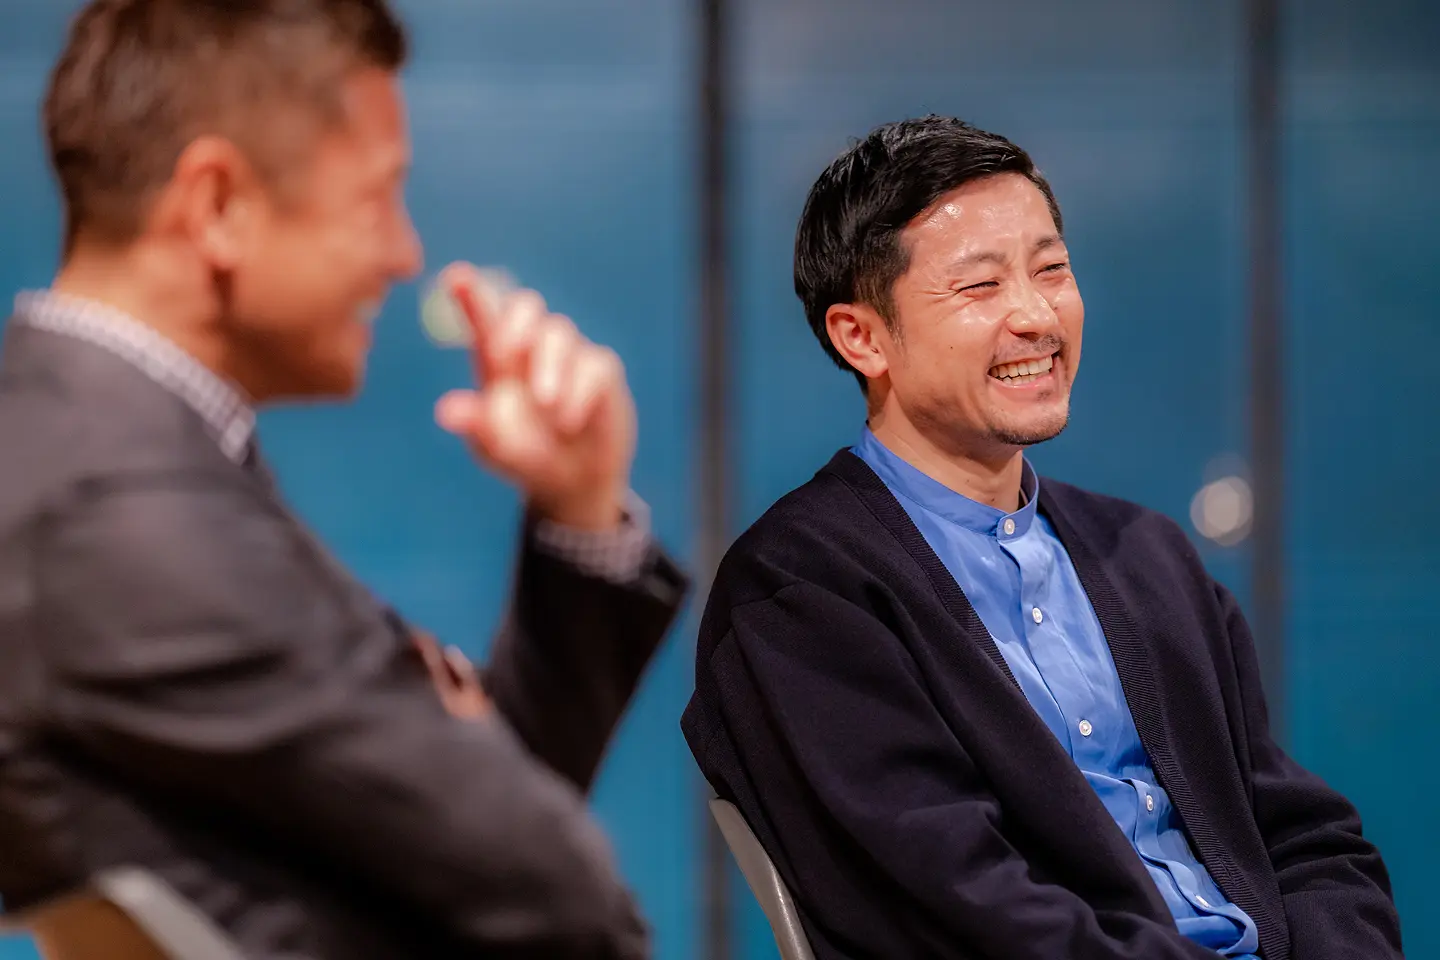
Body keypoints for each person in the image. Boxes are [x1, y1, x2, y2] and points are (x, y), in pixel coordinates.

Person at [0, 1, 686, 958]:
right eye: (377, 198)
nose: (405, 253)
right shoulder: (116, 509)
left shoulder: (99, 452)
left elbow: (458, 847)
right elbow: (557, 894)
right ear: (218, 205)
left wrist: (578, 511)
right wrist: (451, 735)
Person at [682, 116, 1402, 960]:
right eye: (980, 286)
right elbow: (957, 903)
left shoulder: (1148, 555)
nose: (1036, 315)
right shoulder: (801, 591)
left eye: (1051, 270)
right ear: (862, 337)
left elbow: (1305, 837)